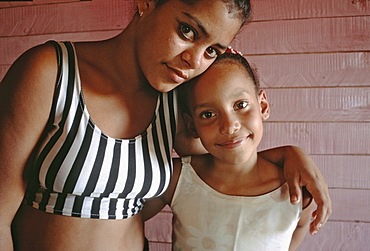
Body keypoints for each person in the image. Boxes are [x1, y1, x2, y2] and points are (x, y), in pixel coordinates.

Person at [0, 0, 330, 250]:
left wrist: (290, 155)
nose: (194, 61)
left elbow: (229, 152)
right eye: (188, 31)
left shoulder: (173, 101)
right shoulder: (50, 72)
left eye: (212, 50)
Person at [142, 52, 315, 250]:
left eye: (240, 105)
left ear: (263, 106)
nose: (229, 126)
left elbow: (300, 226)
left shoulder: (295, 189)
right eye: (208, 114)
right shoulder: (177, 178)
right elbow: (123, 219)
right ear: (192, 126)